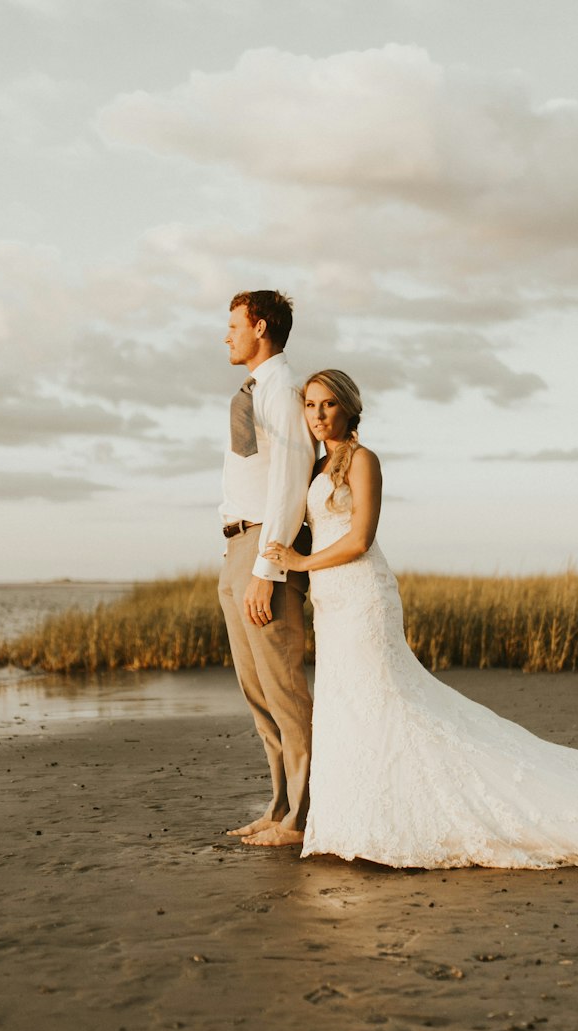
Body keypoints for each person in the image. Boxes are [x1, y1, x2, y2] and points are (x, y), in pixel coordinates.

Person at [264, 371, 578, 868]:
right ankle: (356, 818)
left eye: (328, 405)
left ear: (348, 409)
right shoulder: (318, 466)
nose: (318, 415)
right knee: (349, 702)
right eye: (311, 406)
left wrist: (299, 563)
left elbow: (360, 537)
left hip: (363, 594)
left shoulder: (364, 461)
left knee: (384, 698)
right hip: (331, 602)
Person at [217, 291, 316, 848]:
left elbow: (289, 481)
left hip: (264, 549)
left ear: (259, 327)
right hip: (238, 545)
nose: (226, 336)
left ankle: (302, 817)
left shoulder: (282, 390)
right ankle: (279, 805)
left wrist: (266, 566)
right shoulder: (253, 392)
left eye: (233, 325)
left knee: (283, 690)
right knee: (256, 691)